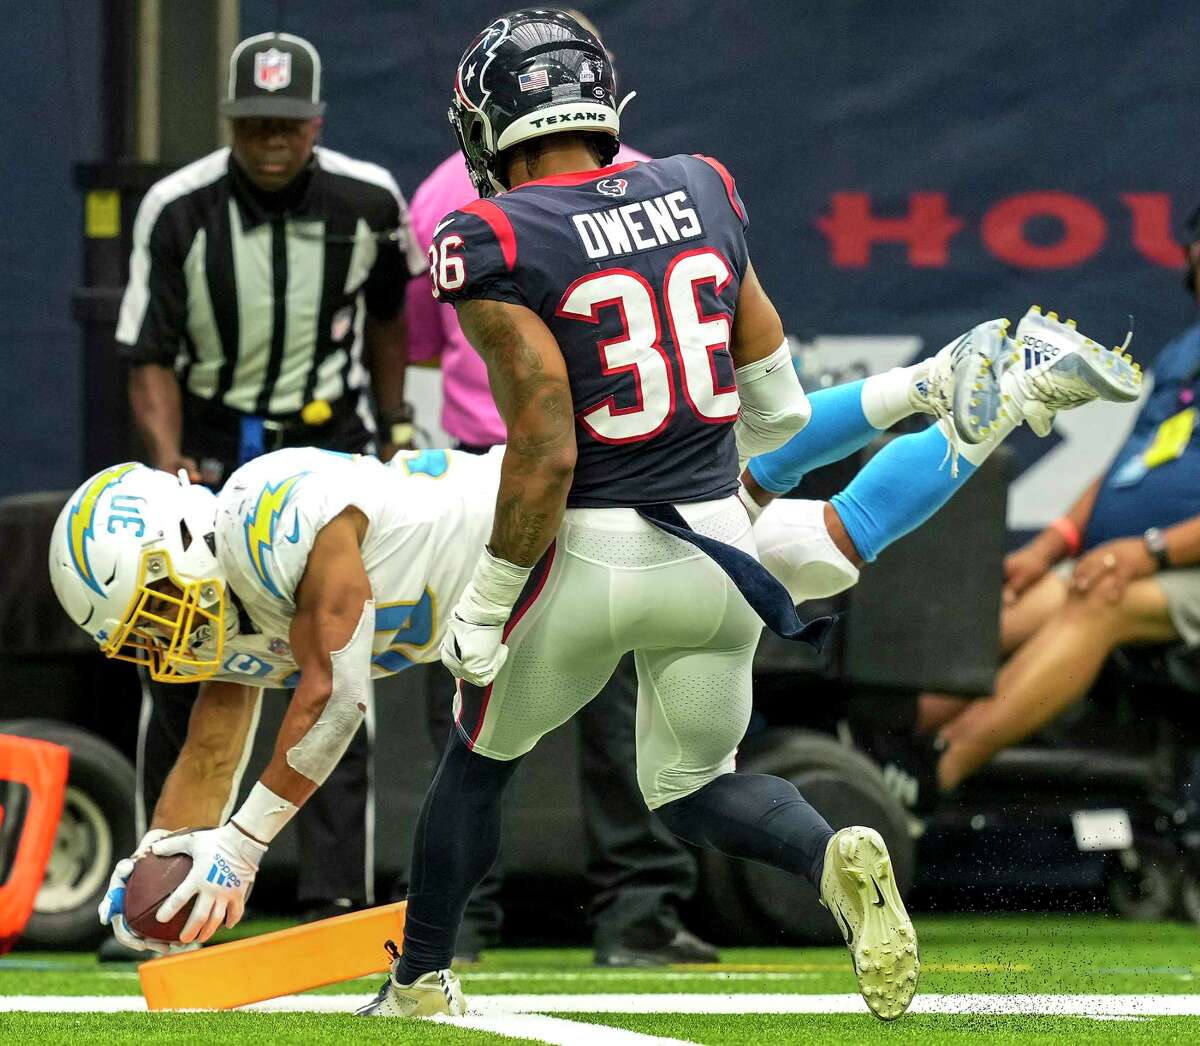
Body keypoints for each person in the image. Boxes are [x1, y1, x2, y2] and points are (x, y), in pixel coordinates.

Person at [368, 10, 1141, 1023]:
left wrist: (490, 596)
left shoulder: (487, 234)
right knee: (696, 769)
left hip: (591, 550)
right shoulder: (699, 184)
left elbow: (548, 446)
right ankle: (828, 851)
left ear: (492, 123)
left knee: (478, 759)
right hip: (719, 558)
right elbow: (773, 408)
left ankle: (420, 977)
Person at [51, 302, 1130, 1006]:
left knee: (489, 750)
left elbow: (332, 705)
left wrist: (239, 847)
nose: (162, 635)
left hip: (553, 536)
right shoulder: (225, 589)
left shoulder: (265, 508)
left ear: (179, 529)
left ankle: (422, 974)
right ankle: (982, 406)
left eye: (151, 602)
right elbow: (209, 738)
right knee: (809, 546)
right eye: (138, 627)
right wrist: (165, 858)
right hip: (582, 560)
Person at [403, 18, 711, 966]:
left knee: (484, 704)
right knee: (610, 697)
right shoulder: (662, 180)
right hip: (580, 468)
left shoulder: (449, 196)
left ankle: (475, 928)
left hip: (541, 466)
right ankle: (624, 919)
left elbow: (424, 344)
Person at [112, 30, 424, 936]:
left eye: (287, 123)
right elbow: (147, 353)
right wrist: (171, 460)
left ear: (316, 121)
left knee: (338, 666)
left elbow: (390, 322)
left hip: (327, 450)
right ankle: (163, 885)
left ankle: (331, 894)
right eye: (255, 124)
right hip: (212, 454)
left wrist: (397, 426)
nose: (272, 139)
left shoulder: (368, 200)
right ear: (231, 124)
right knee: (180, 663)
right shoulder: (179, 207)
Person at [871, 298, 1198, 812]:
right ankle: (875, 746)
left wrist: (1152, 551)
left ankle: (936, 772)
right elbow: (1129, 465)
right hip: (1141, 562)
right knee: (1028, 600)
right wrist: (1049, 548)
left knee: (1102, 602)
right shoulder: (1185, 351)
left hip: (1179, 569)